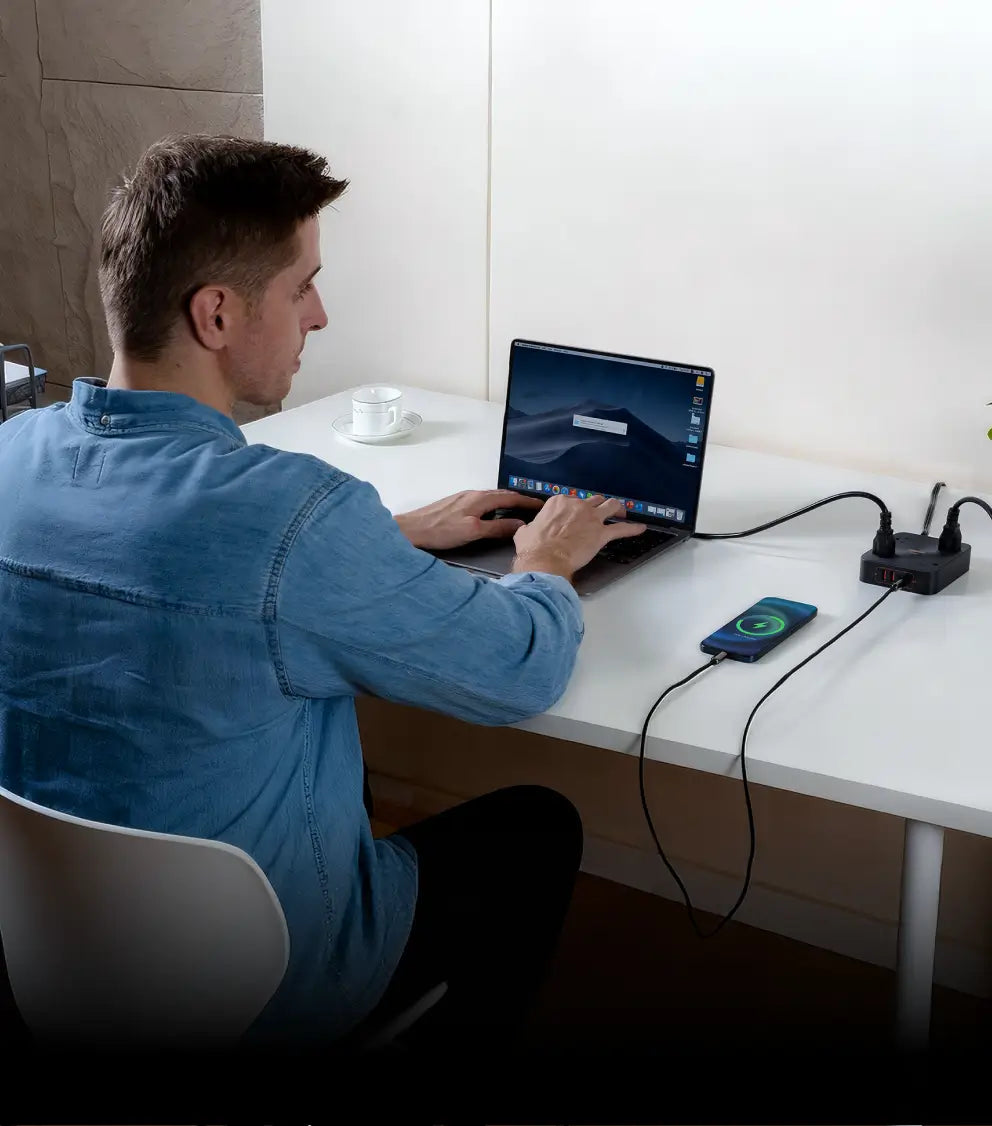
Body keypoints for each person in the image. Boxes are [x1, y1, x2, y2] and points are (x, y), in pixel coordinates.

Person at [0, 134, 645, 1059]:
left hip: (51, 963)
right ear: (217, 314)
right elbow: (521, 670)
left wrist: (385, 537)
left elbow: (179, 565)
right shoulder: (294, 514)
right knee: (537, 828)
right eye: (301, 286)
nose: (320, 315)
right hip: (262, 988)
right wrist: (546, 559)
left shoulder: (11, 458)